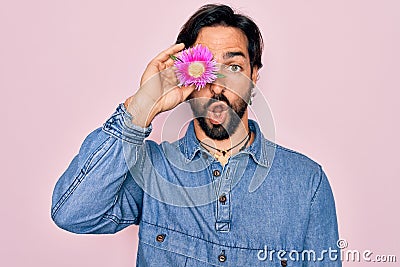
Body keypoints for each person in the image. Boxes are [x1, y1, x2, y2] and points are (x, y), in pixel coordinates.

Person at [51, 4, 341, 266]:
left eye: (234, 67)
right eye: (205, 68)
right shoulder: (152, 168)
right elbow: (73, 213)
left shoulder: (306, 182)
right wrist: (141, 106)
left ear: (253, 77)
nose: (217, 86)